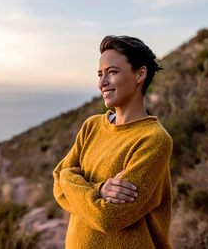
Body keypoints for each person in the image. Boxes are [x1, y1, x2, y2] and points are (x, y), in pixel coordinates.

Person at [53, 35, 173, 248]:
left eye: (112, 72)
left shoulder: (154, 140)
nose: (102, 82)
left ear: (140, 74)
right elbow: (57, 183)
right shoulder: (92, 126)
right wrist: (99, 190)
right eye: (100, 74)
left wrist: (70, 178)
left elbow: (107, 218)